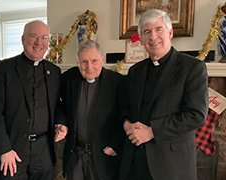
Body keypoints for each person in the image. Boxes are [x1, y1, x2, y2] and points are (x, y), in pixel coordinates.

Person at [119, 9, 208, 180]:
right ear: (142, 39)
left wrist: (152, 131)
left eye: (158, 29)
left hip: (172, 165)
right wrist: (127, 124)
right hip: (135, 162)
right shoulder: (135, 71)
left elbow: (196, 115)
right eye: (147, 32)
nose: (153, 36)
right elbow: (125, 107)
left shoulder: (192, 68)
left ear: (170, 32)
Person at [0, 20, 63, 180]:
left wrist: (62, 123)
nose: (38, 42)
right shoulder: (3, 68)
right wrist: (4, 149)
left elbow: (58, 105)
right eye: (34, 36)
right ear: (23, 39)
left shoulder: (54, 71)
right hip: (12, 148)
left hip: (44, 149)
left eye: (43, 38)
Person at [55, 40, 126, 180]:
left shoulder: (117, 82)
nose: (89, 67)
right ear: (77, 62)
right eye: (84, 62)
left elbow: (126, 115)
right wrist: (61, 122)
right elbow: (57, 104)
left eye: (94, 61)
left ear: (102, 60)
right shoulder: (69, 78)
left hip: (103, 155)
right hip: (75, 154)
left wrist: (115, 145)